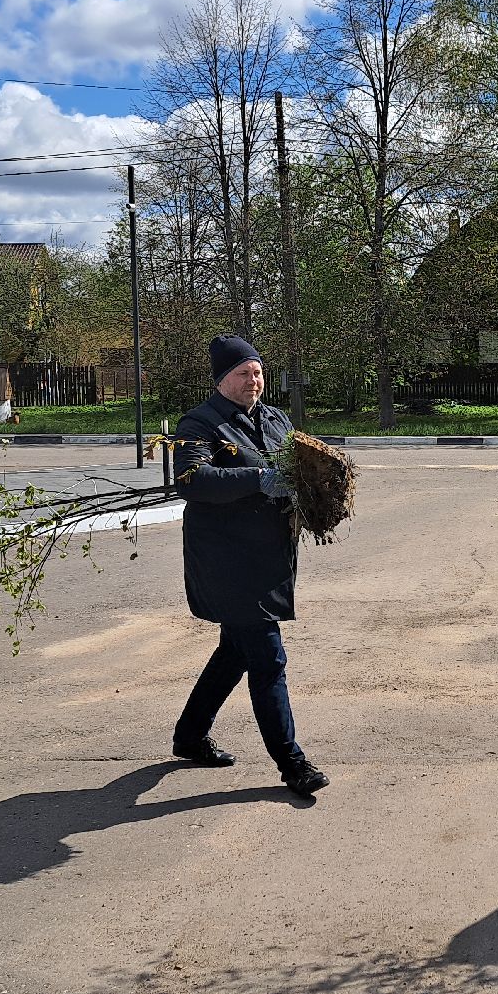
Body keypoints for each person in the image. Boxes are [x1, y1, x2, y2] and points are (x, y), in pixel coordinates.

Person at [170, 335, 328, 797]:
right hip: (225, 562)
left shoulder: (275, 420)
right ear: (222, 379)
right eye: (243, 373)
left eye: (257, 371)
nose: (253, 380)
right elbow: (192, 480)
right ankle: (293, 763)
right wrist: (259, 479)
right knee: (267, 658)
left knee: (235, 652)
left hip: (269, 557)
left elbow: (299, 465)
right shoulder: (199, 424)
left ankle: (190, 735)